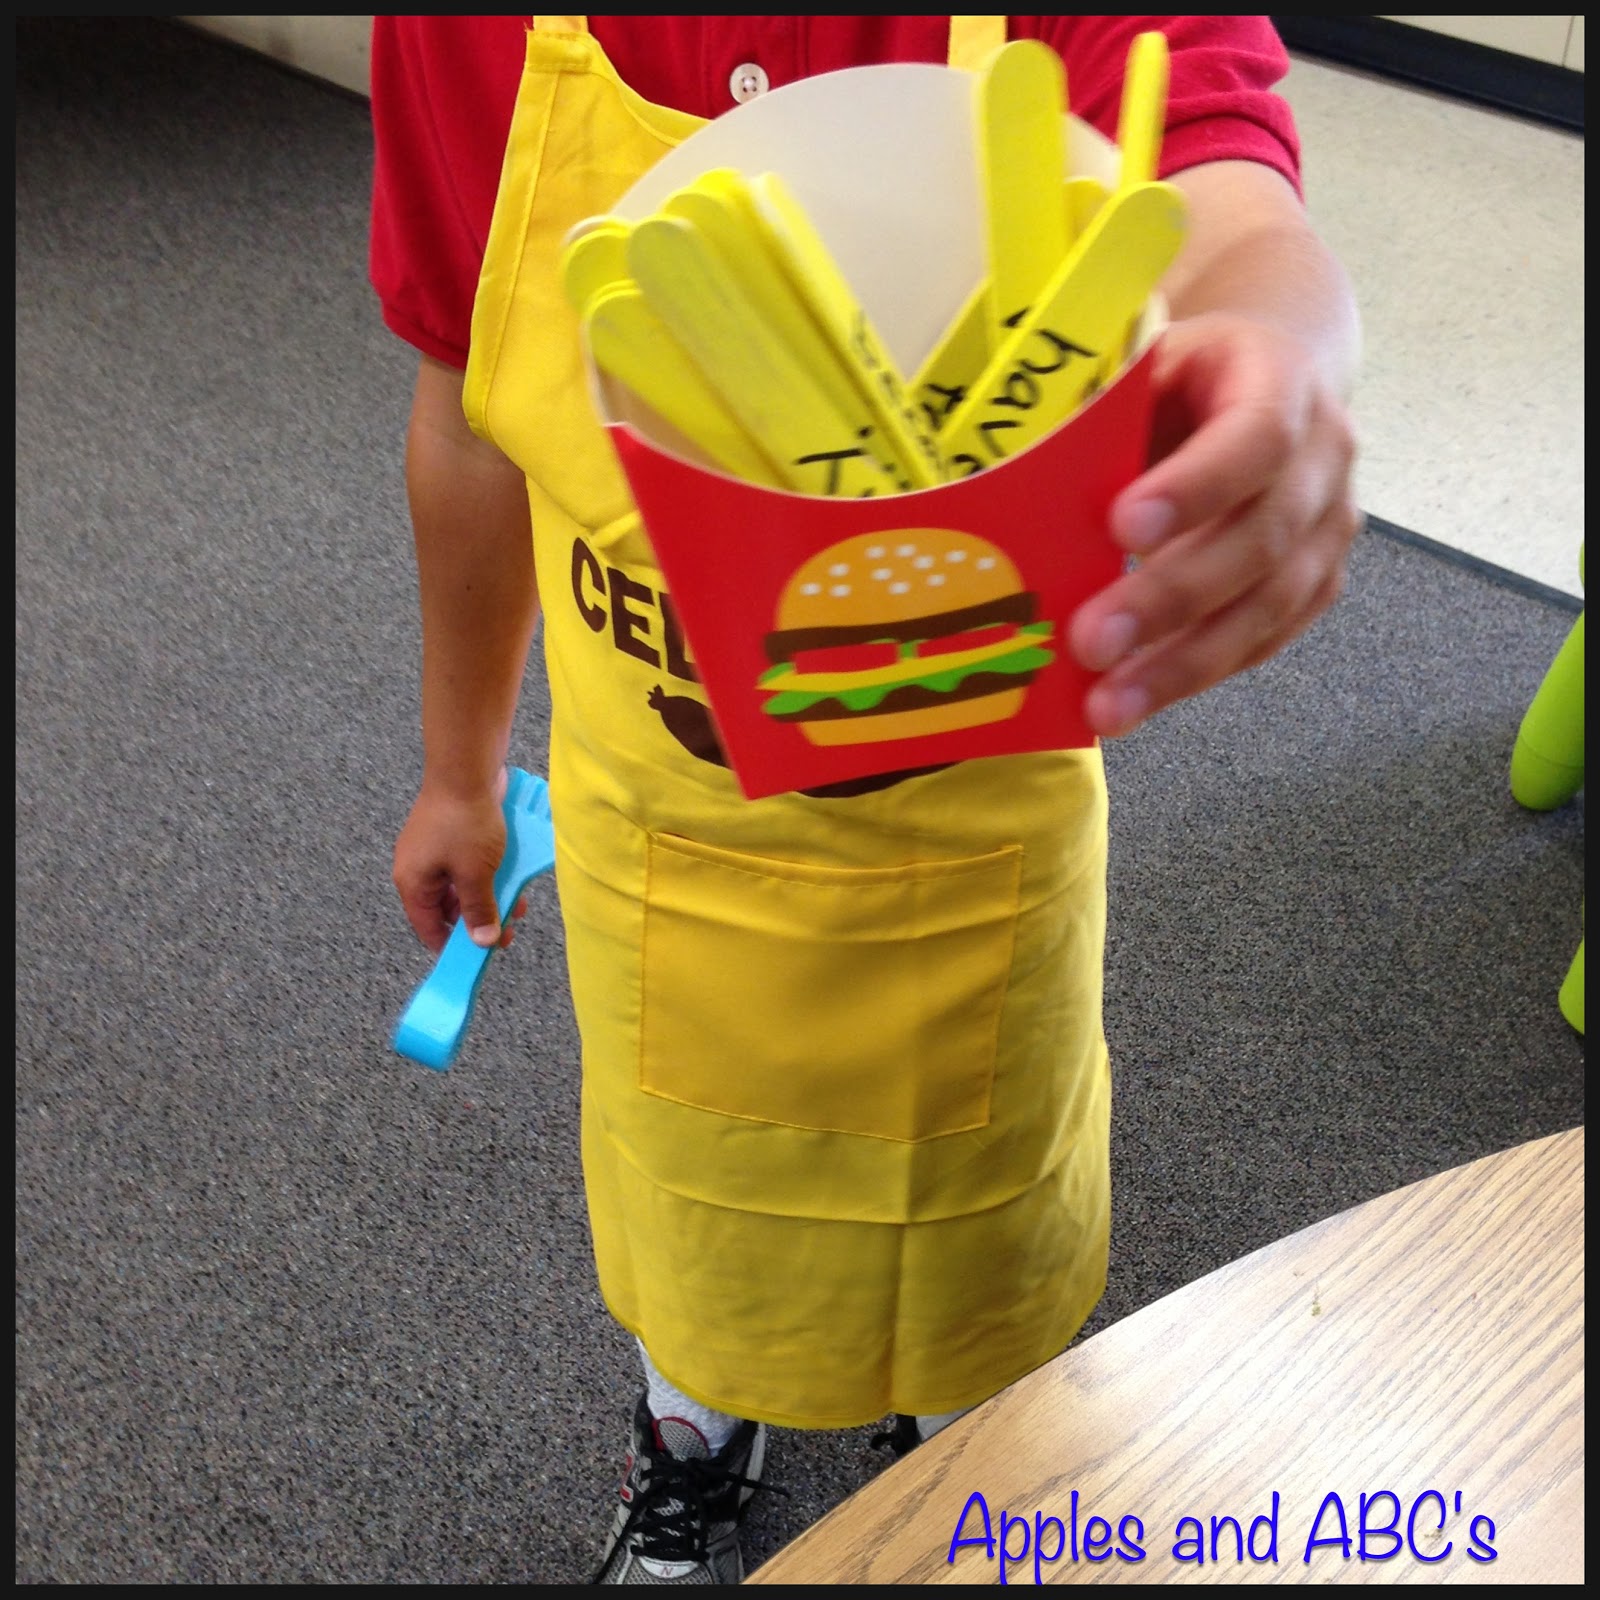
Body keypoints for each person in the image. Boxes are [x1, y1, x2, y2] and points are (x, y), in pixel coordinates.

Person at [369, 15, 1360, 1584]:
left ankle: (967, 1462)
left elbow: (1224, 185)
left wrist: (1281, 341)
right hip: (664, 847)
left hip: (972, 863)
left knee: (981, 1269)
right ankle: (690, 1440)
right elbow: (469, 421)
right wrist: (460, 768)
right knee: (696, 1215)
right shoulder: (464, 33)